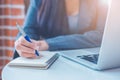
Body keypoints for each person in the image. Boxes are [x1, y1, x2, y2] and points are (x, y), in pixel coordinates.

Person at [14, 0, 108, 59]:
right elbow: (28, 29)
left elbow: (101, 35)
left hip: (86, 59)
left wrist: (48, 44)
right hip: (50, 60)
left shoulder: (99, 2)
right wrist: (25, 44)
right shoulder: (40, 1)